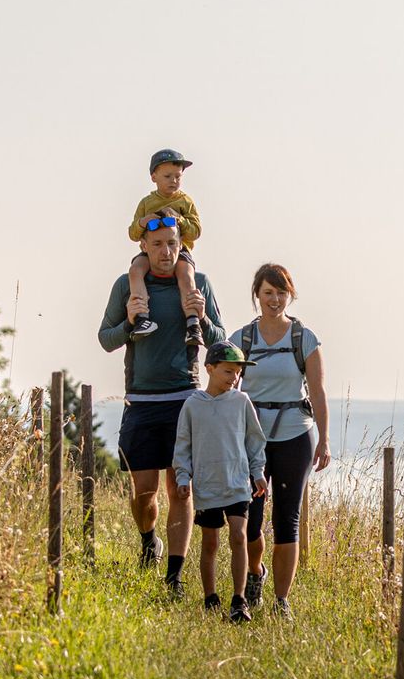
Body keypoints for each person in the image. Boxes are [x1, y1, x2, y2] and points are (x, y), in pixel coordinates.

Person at [98, 216, 224, 595]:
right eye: (158, 245)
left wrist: (201, 315)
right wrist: (131, 323)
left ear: (181, 244)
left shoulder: (198, 284)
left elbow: (221, 342)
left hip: (185, 397)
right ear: (143, 247)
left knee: (181, 490)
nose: (166, 252)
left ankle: (175, 575)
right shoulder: (127, 285)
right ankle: (148, 540)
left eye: (172, 243)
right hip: (141, 399)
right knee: (143, 493)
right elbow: (105, 338)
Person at [230, 263, 330, 620]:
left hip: (295, 435)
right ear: (257, 295)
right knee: (249, 520)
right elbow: (226, 388)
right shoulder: (241, 339)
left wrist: (324, 440)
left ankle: (281, 601)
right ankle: (255, 574)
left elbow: (317, 391)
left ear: (291, 295)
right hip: (251, 440)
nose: (275, 299)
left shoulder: (304, 338)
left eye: (281, 292)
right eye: (268, 292)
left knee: (287, 518)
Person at [173, 343, 269, 621]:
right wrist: (183, 476)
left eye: (238, 373)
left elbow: (254, 441)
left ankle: (239, 601)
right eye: (228, 371)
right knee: (210, 543)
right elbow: (183, 444)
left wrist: (258, 472)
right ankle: (210, 597)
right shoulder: (193, 405)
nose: (234, 378)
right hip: (207, 485)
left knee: (238, 536)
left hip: (238, 482)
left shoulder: (241, 402)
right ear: (210, 369)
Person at [124, 148, 205, 347]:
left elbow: (196, 231)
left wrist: (179, 221)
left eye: (178, 176)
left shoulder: (185, 201)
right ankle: (142, 317)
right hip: (149, 251)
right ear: (154, 177)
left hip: (180, 251)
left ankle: (193, 323)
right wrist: (143, 222)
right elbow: (133, 234)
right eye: (168, 176)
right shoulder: (147, 202)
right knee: (135, 270)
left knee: (186, 275)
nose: (174, 181)